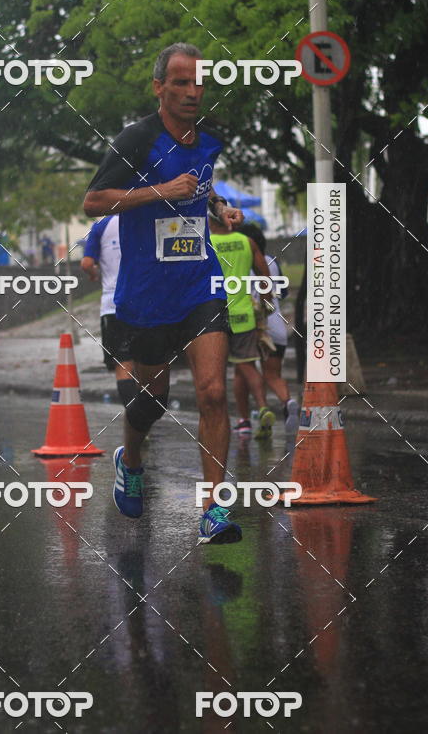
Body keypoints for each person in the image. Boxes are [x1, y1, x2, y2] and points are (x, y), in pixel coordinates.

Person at [84, 42, 244, 545]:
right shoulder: (136, 140)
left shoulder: (209, 140)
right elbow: (93, 201)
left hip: (200, 283)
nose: (193, 91)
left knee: (214, 392)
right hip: (148, 294)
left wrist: (219, 209)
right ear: (159, 87)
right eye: (181, 82)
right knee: (152, 402)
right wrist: (160, 192)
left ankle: (213, 510)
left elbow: (199, 186)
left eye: (199, 82)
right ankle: (130, 459)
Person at [208, 214, 276, 439]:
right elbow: (264, 276)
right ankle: (263, 406)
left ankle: (226, 422)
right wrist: (265, 306)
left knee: (213, 374)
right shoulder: (247, 242)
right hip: (244, 313)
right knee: (248, 365)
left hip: (213, 316)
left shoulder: (206, 242)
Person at [241, 225, 300, 434]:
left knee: (243, 369)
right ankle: (288, 401)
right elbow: (282, 294)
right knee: (273, 375)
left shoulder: (241, 261)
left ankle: (254, 414)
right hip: (276, 324)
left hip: (253, 324)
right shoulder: (273, 262)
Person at [80, 215, 138, 407]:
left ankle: (135, 419)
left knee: (123, 363)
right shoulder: (143, 217)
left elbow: (87, 263)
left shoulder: (101, 226)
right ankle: (145, 418)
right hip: (145, 301)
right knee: (149, 362)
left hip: (113, 305)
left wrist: (93, 275)